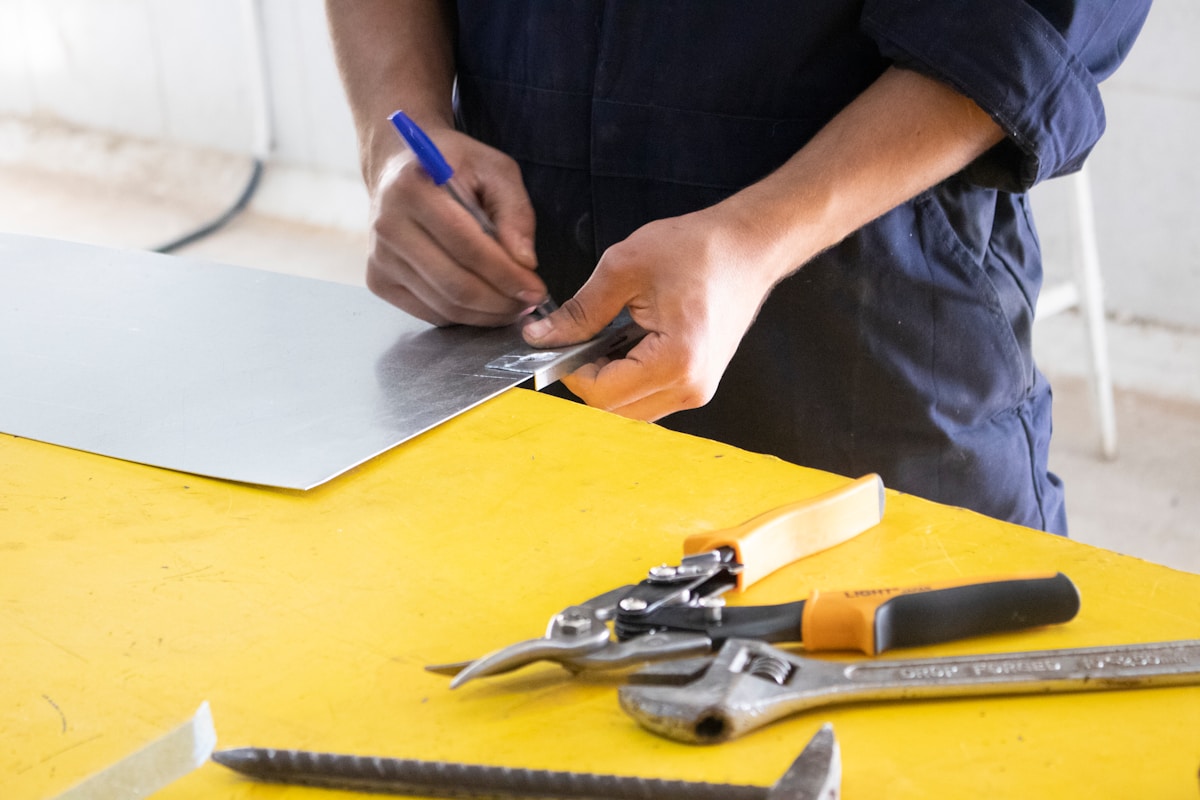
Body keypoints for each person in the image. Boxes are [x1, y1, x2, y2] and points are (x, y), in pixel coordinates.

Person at [325, 1, 1150, 534]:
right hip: (509, 357)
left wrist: (758, 237)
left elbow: (1029, 22)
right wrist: (396, 132)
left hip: (865, 352)